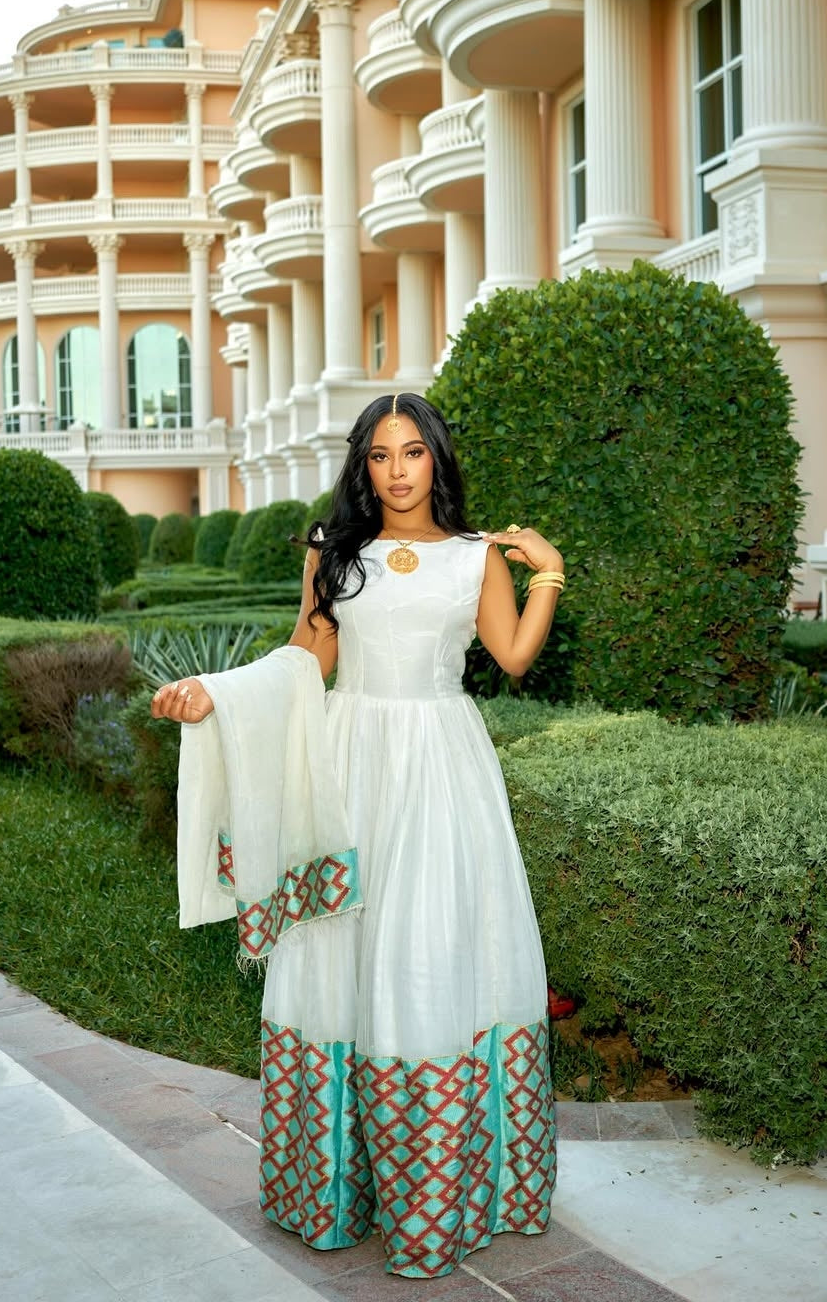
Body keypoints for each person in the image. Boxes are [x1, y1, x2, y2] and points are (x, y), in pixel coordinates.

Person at [152, 392, 565, 1278]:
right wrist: (215, 694)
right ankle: (335, 1188)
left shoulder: (472, 559)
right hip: (346, 768)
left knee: (428, 953)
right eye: (381, 456)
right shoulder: (333, 553)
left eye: (414, 452)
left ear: (437, 460)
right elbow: (304, 660)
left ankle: (441, 1197)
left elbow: (515, 656)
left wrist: (549, 573)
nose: (399, 470)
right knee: (339, 956)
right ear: (362, 466)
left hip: (442, 770)